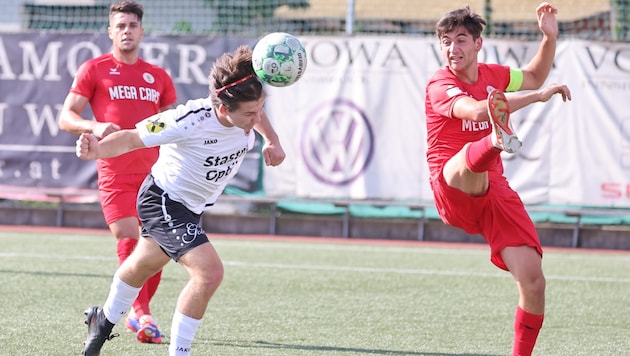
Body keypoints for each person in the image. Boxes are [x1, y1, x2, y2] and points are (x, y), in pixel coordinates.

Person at [76, 44, 286, 356]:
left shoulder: (246, 109)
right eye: (250, 114)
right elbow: (133, 137)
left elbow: (258, 112)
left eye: (260, 109)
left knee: (139, 267)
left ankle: (102, 321)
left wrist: (272, 139)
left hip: (191, 208)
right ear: (224, 109)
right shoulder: (190, 119)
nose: (257, 117)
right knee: (209, 273)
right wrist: (97, 149)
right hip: (163, 200)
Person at [424, 3, 571, 356]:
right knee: (469, 161)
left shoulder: (493, 75)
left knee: (533, 281)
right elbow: (477, 109)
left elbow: (534, 75)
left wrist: (549, 38)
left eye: (460, 40)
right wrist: (535, 98)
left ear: (478, 44)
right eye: (445, 41)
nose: (452, 48)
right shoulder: (440, 83)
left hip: (494, 192)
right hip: (452, 184)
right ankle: (495, 140)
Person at [59, 1, 176, 344]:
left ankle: (138, 312)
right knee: (128, 239)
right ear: (110, 31)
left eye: (132, 25)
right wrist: (94, 126)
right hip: (115, 175)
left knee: (158, 250)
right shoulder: (94, 69)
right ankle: (141, 314)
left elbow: (174, 125)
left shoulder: (158, 76)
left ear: (141, 31)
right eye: (120, 25)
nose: (126, 31)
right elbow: (66, 117)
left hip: (156, 176)